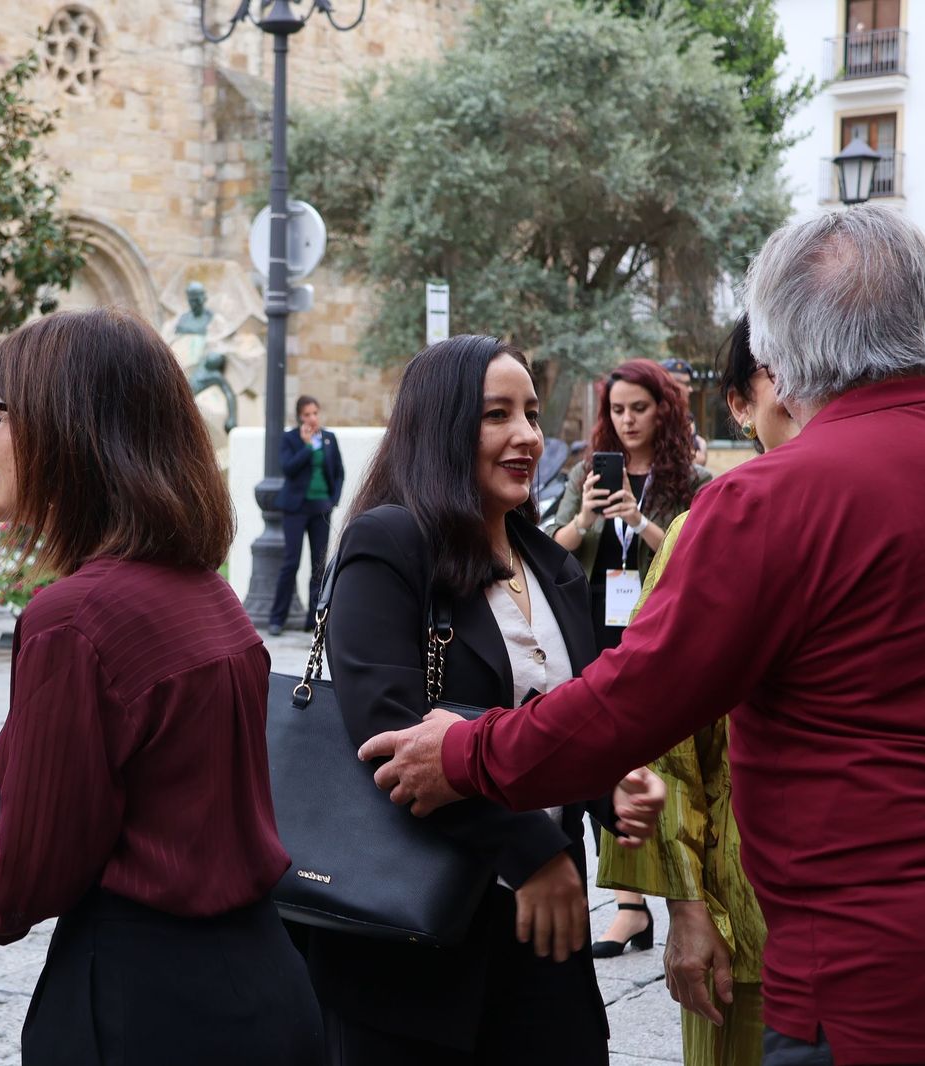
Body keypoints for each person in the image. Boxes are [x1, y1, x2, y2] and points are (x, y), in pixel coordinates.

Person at [360, 206, 925, 1066]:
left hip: (871, 992)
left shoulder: (772, 501)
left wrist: (466, 753)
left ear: (786, 351)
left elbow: (630, 705)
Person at [0, 307, 325, 1066]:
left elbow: (33, 884)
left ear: (67, 432)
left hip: (145, 1007)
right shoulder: (204, 593)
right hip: (261, 985)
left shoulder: (77, 617)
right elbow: (144, 829)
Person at [301, 334, 664, 1066]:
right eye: (496, 415)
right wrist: (533, 855)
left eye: (530, 413)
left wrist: (609, 788)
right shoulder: (390, 542)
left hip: (543, 932)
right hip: (416, 945)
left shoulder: (551, 562)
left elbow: (574, 717)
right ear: (441, 428)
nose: (527, 436)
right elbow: (388, 730)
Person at [597, 317, 793, 1066]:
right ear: (740, 404)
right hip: (750, 927)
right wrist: (684, 907)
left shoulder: (709, 503)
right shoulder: (717, 523)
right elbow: (671, 741)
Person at [550, 357, 711, 957]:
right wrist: (589, 516)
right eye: (617, 410)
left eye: (638, 409)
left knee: (661, 767)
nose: (627, 421)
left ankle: (681, 901)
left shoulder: (687, 478)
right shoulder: (586, 474)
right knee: (600, 760)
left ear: (662, 409)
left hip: (656, 626)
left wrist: (641, 521)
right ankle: (628, 907)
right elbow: (551, 549)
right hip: (592, 625)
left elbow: (696, 553)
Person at [268, 394, 345, 635]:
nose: (312, 418)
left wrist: (333, 500)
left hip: (321, 508)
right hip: (296, 508)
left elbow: (339, 472)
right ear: (300, 417)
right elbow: (288, 469)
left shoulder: (330, 439)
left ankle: (314, 620)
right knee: (291, 563)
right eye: (307, 414)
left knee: (319, 566)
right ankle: (277, 619)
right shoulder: (291, 438)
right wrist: (307, 446)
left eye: (315, 413)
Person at [661, 358, 709, 465]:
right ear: (671, 386)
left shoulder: (686, 416)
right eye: (686, 384)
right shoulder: (659, 416)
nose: (690, 389)